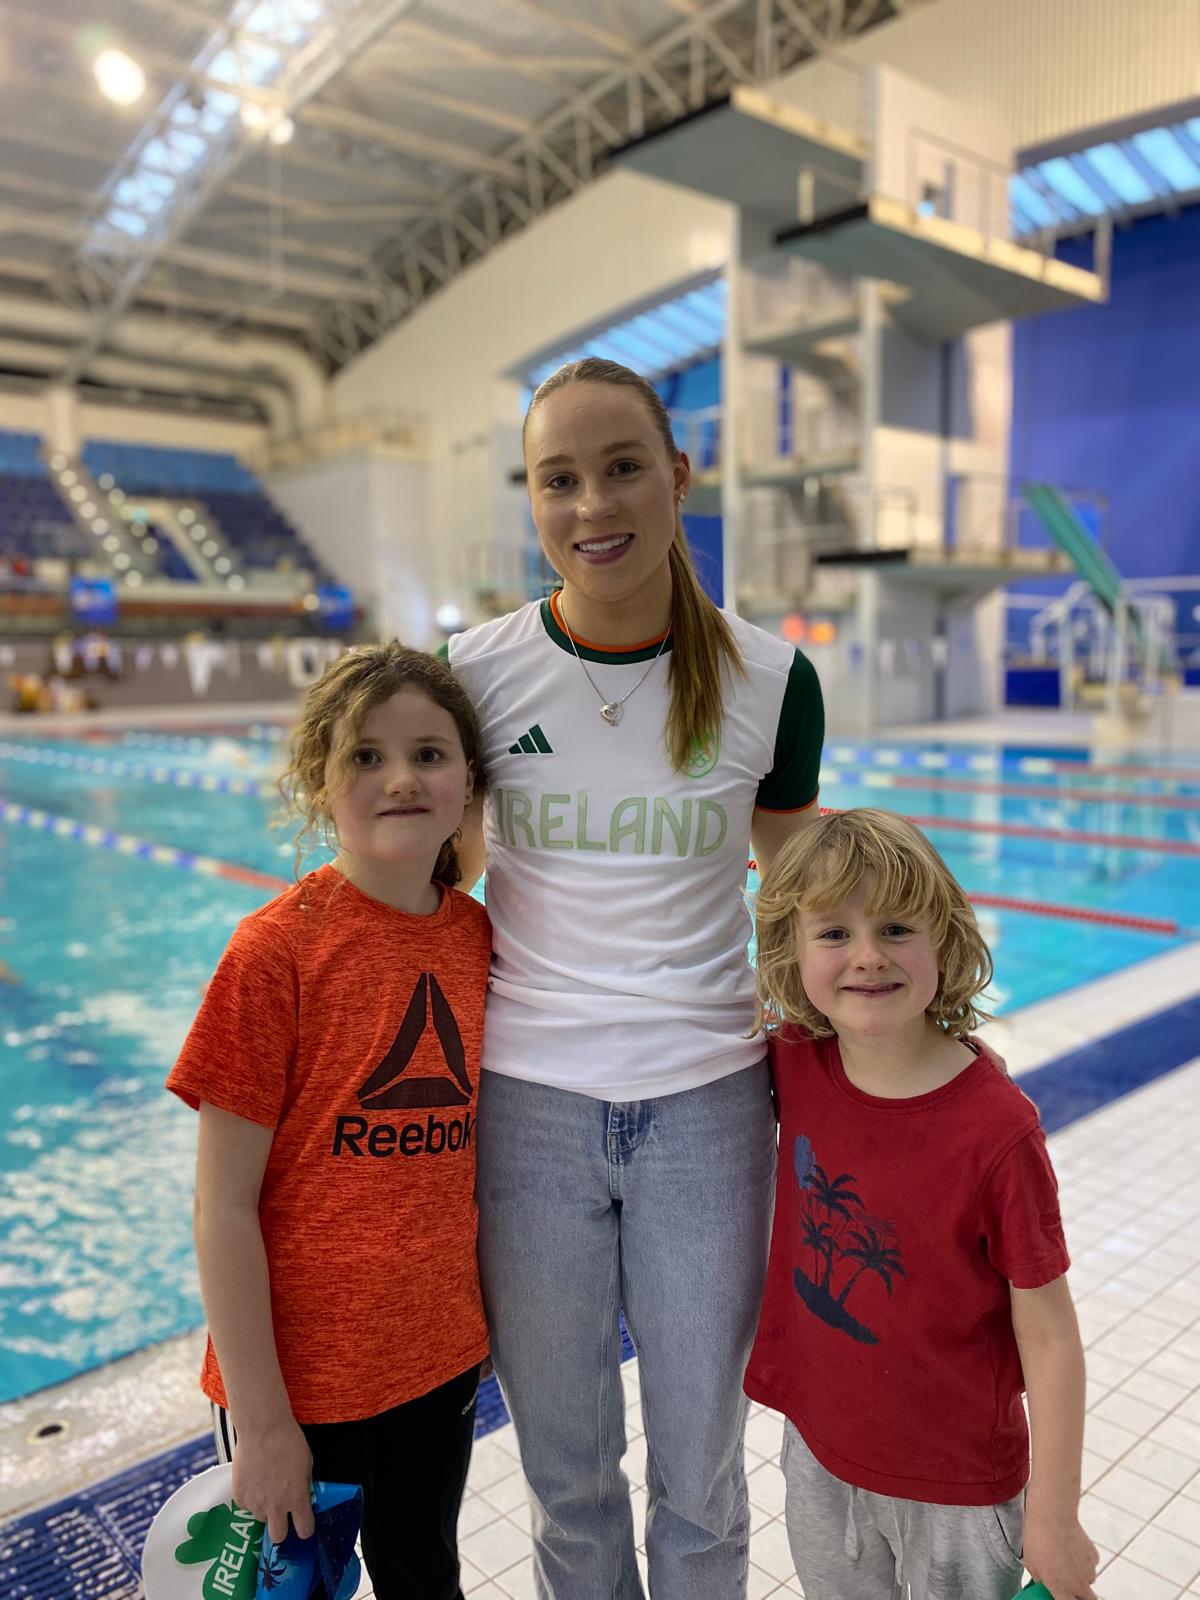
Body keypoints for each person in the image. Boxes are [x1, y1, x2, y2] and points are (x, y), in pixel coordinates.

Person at [443, 356, 825, 1599]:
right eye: (560, 479)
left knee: (703, 1479)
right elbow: (423, 884)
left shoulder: (773, 681)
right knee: (567, 1478)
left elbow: (805, 899)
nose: (592, 505)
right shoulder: (477, 673)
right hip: (528, 1112)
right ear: (533, 500)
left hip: (711, 1108)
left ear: (678, 475)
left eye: (621, 468)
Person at [166, 643, 492, 1600]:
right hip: (301, 1390)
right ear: (319, 782)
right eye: (364, 756)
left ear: (469, 779)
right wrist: (264, 1425)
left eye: (430, 753)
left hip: (438, 1361)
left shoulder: (474, 937)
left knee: (425, 1577)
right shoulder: (274, 953)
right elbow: (221, 1208)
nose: (400, 777)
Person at [745, 807, 1099, 1600]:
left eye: (897, 928)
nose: (867, 957)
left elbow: (1048, 1334)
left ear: (946, 939)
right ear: (790, 953)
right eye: (833, 934)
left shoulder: (997, 1130)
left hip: (960, 1492)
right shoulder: (794, 1067)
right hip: (821, 1457)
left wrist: (1055, 1516)